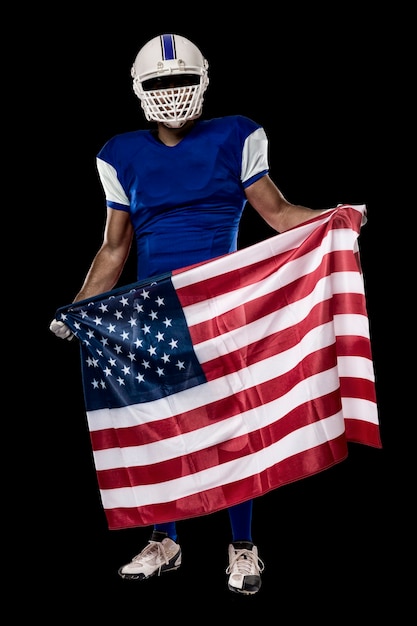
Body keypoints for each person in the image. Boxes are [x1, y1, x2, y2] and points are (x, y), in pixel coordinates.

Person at [49, 33, 328, 595]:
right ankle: (165, 540)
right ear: (140, 90)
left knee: (232, 423)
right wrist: (78, 307)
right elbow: (114, 247)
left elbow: (277, 214)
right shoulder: (119, 153)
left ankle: (244, 549)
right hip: (154, 309)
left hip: (222, 303)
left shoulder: (236, 134)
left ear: (202, 81)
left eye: (181, 81)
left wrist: (336, 215)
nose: (172, 93)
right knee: (161, 424)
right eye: (160, 83)